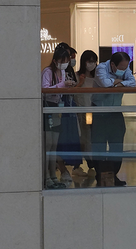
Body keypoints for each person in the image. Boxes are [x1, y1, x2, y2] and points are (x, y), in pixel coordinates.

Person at [92, 51, 136, 186]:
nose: (124, 70)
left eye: (125, 68)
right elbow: (105, 83)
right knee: (99, 146)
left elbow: (133, 82)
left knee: (116, 146)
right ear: (112, 64)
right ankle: (101, 175)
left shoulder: (125, 67)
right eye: (121, 68)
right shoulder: (101, 68)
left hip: (116, 112)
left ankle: (113, 175)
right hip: (99, 112)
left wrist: (117, 83)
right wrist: (119, 82)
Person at [42, 46, 74, 189]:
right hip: (48, 108)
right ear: (55, 61)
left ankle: (54, 176)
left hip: (56, 109)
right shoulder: (47, 72)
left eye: (66, 61)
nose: (64, 64)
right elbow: (45, 89)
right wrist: (62, 85)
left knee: (54, 146)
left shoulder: (62, 72)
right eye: (62, 61)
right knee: (47, 145)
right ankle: (46, 176)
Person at [55, 43, 81, 185]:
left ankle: (73, 165)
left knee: (71, 138)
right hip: (59, 107)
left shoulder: (70, 70)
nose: (70, 60)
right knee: (58, 140)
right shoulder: (50, 72)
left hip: (70, 107)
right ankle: (60, 168)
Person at [75, 50, 99, 177]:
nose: (92, 64)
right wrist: (80, 84)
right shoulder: (78, 76)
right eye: (89, 61)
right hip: (80, 111)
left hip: (93, 111)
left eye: (94, 61)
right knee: (83, 138)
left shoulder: (97, 77)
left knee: (90, 137)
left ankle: (91, 162)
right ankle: (82, 163)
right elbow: (72, 92)